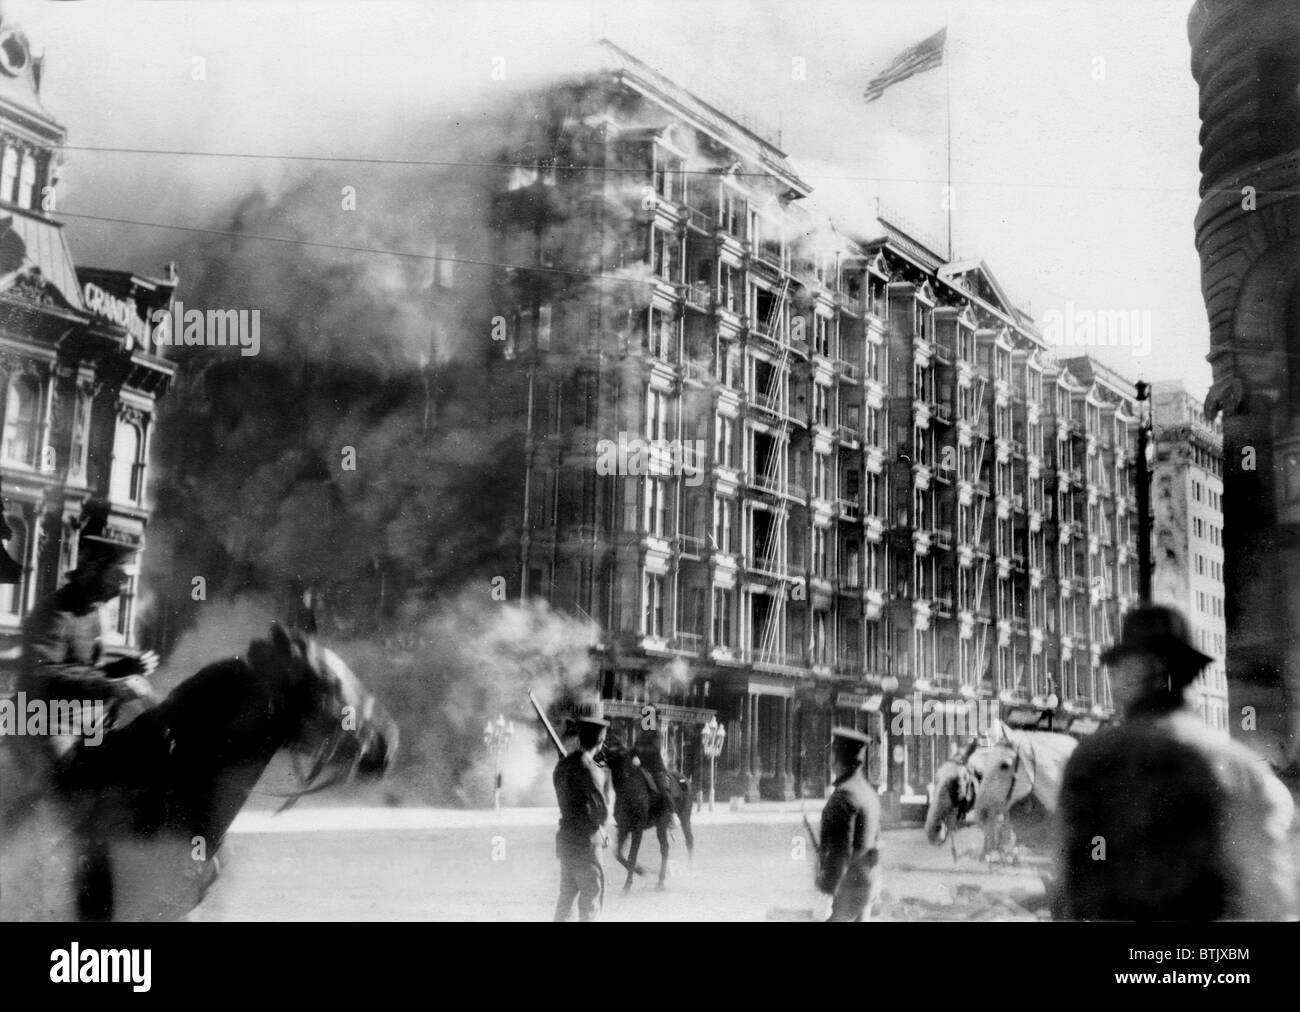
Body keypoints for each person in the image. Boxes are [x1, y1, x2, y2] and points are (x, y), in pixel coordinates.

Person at [1051, 604, 1296, 921]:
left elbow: (1070, 886)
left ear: (1141, 671)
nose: (1113, 679)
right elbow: (1270, 901)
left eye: (1121, 667)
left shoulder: (1091, 759)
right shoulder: (1240, 767)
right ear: (1188, 674)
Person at [816, 727, 883, 922]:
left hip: (848, 886)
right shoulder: (868, 792)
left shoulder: (843, 795)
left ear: (835, 757)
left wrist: (826, 888)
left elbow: (840, 852)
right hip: (868, 881)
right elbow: (877, 843)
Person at [553, 701, 611, 922]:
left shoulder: (561, 766)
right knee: (591, 902)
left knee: (565, 900)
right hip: (586, 845)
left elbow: (569, 801)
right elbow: (603, 812)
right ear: (600, 741)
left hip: (566, 841)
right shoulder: (590, 769)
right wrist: (600, 830)